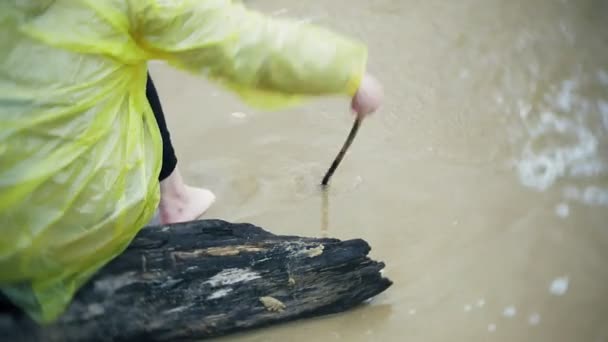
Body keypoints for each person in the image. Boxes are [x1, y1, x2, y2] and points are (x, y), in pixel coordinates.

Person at [0, 0, 383, 324]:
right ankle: (173, 197)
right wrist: (347, 74)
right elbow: (244, 43)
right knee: (126, 50)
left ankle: (175, 192)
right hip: (70, 233)